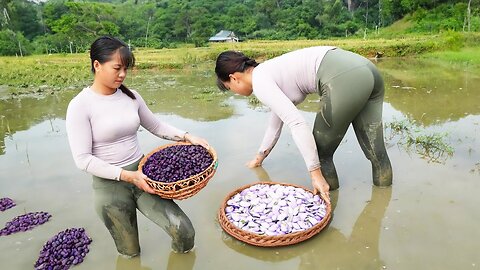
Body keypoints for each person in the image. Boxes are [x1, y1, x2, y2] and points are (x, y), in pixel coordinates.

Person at [66, 36, 210, 257]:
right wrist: (127, 176)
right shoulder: (80, 106)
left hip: (145, 177)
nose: (122, 74)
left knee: (184, 231)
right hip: (110, 188)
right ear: (97, 65)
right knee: (130, 253)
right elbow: (83, 159)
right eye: (117, 68)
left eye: (126, 68)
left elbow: (155, 125)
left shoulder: (131, 97)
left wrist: (187, 136)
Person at [215, 46, 393, 204]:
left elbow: (297, 123)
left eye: (229, 87)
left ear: (234, 78)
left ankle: (328, 206)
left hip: (342, 76)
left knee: (320, 152)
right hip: (365, 68)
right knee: (376, 151)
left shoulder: (260, 82)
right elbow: (275, 123)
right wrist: (260, 157)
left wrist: (315, 173)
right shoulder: (268, 71)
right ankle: (382, 202)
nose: (235, 92)